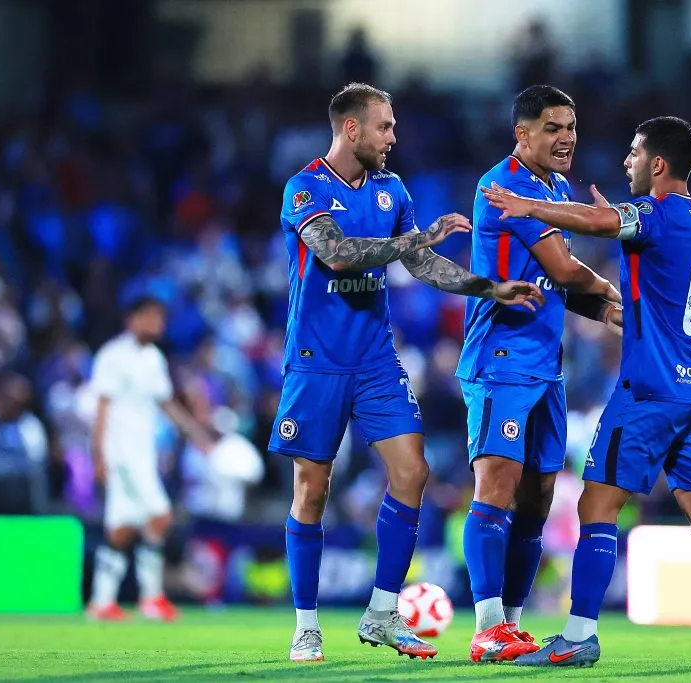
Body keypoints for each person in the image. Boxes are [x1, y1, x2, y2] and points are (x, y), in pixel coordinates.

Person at [269, 82, 544, 663]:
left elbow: (421, 263)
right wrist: (419, 237)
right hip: (316, 361)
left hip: (375, 359)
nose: (392, 137)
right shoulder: (306, 187)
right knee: (312, 489)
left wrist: (488, 287)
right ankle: (306, 624)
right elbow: (336, 253)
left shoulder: (391, 190)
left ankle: (382, 612)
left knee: (413, 471)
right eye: (384, 126)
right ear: (351, 128)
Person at [481, 116, 691, 669]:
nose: (626, 161)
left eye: (635, 153)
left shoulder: (656, 214)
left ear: (658, 163)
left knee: (596, 504)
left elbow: (600, 222)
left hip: (648, 392)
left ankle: (578, 637)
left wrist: (529, 207)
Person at [458, 84, 621, 664]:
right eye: (553, 128)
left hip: (546, 366)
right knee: (497, 485)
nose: (566, 138)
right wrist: (611, 292)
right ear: (521, 134)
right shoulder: (504, 188)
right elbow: (564, 268)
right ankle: (486, 626)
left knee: (539, 496)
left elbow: (553, 285)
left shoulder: (554, 190)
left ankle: (513, 624)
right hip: (500, 359)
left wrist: (603, 311)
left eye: (571, 128)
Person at [86, 295, 216, 622]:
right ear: (133, 318)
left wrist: (196, 434)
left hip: (143, 454)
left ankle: (102, 601)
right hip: (121, 453)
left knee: (122, 527)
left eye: (161, 318)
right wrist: (98, 455)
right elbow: (101, 408)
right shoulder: (113, 356)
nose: (158, 324)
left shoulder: (154, 358)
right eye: (152, 317)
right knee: (160, 515)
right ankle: (151, 596)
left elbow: (165, 403)